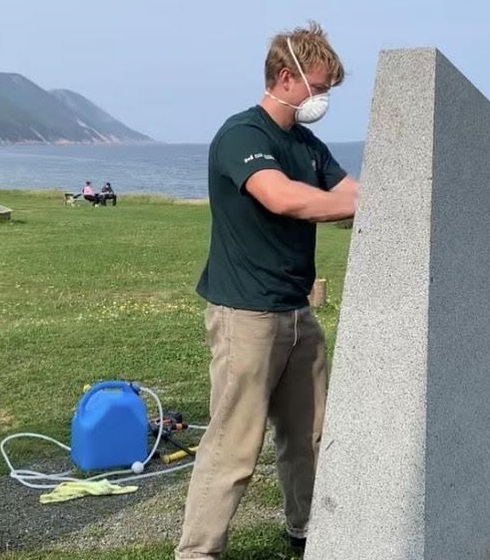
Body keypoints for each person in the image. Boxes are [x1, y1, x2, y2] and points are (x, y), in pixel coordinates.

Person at [175, 21, 359, 560]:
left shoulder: (309, 145)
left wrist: (391, 195)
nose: (323, 100)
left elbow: (347, 192)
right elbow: (282, 198)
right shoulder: (243, 136)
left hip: (297, 313)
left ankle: (306, 532)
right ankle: (198, 552)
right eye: (320, 88)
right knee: (234, 446)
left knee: (310, 437)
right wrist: (363, 204)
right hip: (246, 315)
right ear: (286, 77)